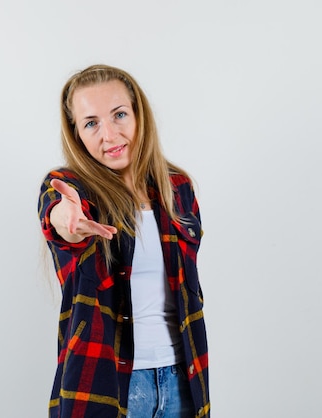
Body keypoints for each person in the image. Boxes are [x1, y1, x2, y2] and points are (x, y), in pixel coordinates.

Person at [37, 64, 210, 418]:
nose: (109, 134)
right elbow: (60, 220)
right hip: (108, 383)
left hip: (182, 378)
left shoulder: (177, 189)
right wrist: (67, 220)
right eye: (91, 123)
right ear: (77, 134)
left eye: (119, 115)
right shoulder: (71, 188)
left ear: (138, 114)